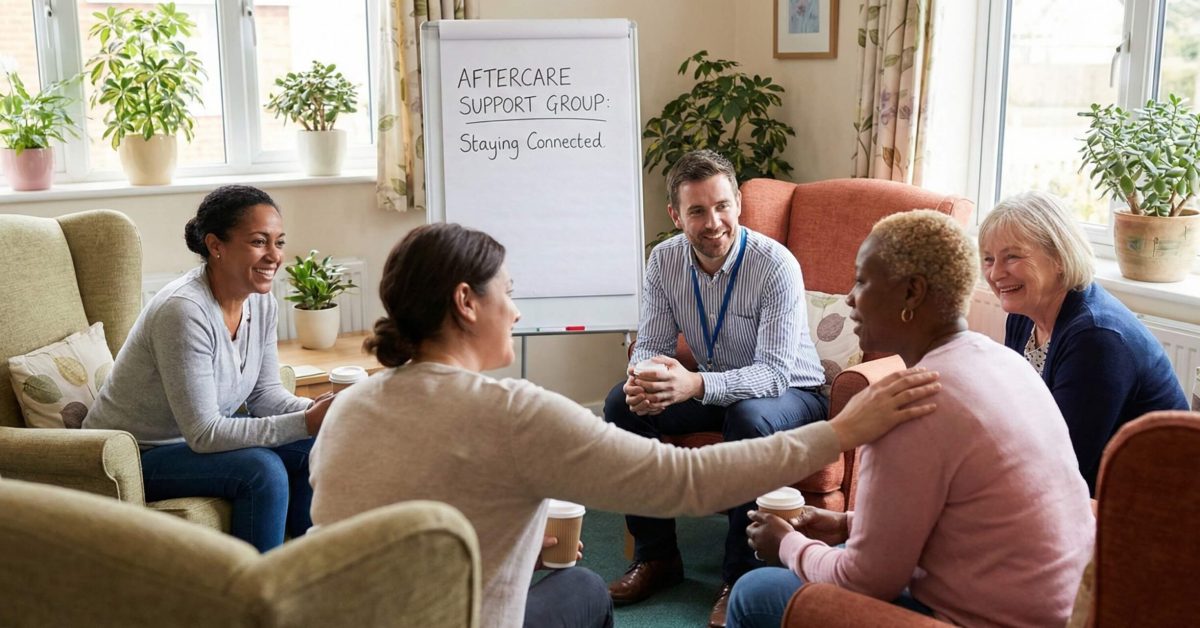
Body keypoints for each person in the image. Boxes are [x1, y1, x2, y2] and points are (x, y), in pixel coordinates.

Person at [308, 222, 942, 628]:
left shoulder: (348, 407)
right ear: (466, 302)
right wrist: (840, 432)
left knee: (566, 578)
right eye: (508, 290)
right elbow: (685, 482)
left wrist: (523, 543)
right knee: (582, 588)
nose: (519, 307)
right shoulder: (513, 415)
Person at [727, 210, 1095, 628]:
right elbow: (965, 518)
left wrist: (788, 544)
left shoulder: (908, 405)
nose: (849, 297)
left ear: (911, 293)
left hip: (987, 618)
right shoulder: (1005, 362)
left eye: (863, 280)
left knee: (755, 591)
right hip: (1060, 611)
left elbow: (866, 582)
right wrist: (847, 524)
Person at [602, 149, 828, 625]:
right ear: (675, 215)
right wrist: (643, 377)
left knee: (749, 416)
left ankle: (740, 576)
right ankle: (657, 556)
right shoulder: (663, 261)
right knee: (621, 406)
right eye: (698, 211)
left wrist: (692, 384)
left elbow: (772, 374)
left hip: (792, 394)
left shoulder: (775, 266)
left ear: (739, 203)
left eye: (722, 205)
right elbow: (652, 344)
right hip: (713, 388)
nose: (714, 222)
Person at [83, 185, 334, 552]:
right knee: (262, 472)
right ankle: (256, 597)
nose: (274, 256)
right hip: (137, 454)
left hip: (191, 443)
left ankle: (311, 574)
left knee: (316, 444)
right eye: (259, 242)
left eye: (279, 242)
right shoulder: (183, 310)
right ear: (216, 246)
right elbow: (204, 433)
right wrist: (305, 421)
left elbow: (264, 395)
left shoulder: (260, 302)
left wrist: (318, 413)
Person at [979, 191, 1188, 493]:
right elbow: (1013, 410)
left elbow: (1065, 463)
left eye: (1012, 256)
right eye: (988, 259)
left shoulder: (1096, 338)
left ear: (1059, 259)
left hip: (1147, 501)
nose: (996, 273)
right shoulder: (1024, 313)